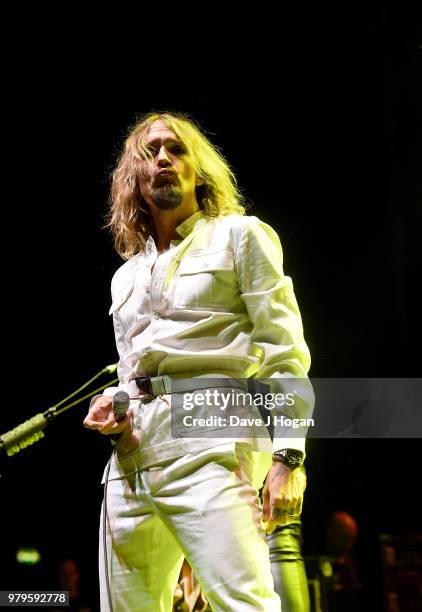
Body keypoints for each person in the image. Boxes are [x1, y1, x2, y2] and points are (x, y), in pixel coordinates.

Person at [83, 111, 314, 611]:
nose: (163, 158)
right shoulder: (125, 277)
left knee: (244, 604)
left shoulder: (241, 235)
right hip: (131, 459)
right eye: (150, 152)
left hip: (213, 436)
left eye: (177, 149)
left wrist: (289, 456)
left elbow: (286, 351)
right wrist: (115, 403)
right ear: (134, 177)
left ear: (199, 169)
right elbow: (134, 374)